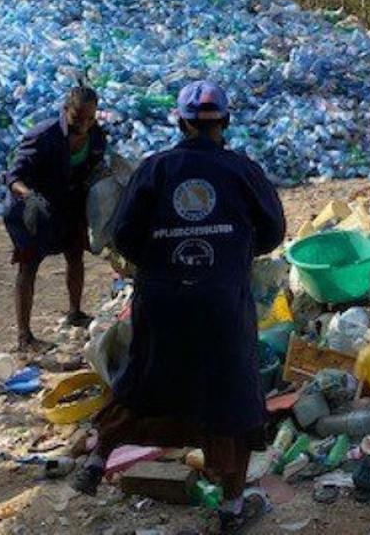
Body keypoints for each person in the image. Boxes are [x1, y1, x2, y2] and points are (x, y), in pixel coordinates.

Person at [72, 80, 286, 533]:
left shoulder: (155, 169)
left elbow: (125, 236)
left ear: (181, 121)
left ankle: (95, 459)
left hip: (164, 300)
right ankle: (230, 508)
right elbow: (271, 234)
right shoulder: (243, 170)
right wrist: (229, 246)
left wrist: (166, 253)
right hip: (222, 303)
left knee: (144, 384)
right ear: (224, 122)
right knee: (232, 400)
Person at [4, 85, 106, 352]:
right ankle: (24, 336)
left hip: (69, 205)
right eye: (77, 118)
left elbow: (94, 169)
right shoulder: (43, 136)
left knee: (75, 255)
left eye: (90, 119)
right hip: (34, 208)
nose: (84, 125)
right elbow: (13, 177)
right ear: (65, 111)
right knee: (29, 266)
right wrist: (30, 198)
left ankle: (75, 312)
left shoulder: (96, 136)